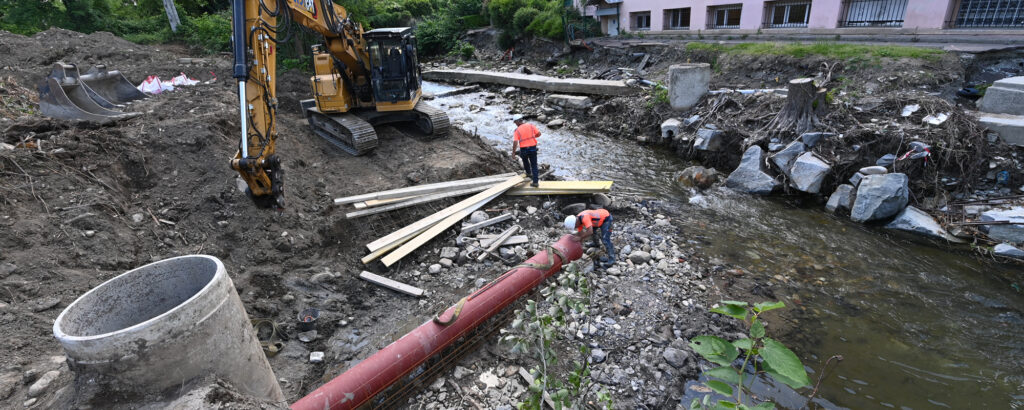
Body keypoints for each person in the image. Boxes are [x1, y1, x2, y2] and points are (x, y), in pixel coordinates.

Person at [511, 115, 541, 187]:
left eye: (515, 122)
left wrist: (513, 152)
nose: (515, 124)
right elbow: (539, 134)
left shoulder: (517, 130)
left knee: (525, 161)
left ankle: (528, 173)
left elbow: (515, 141)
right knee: (534, 165)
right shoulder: (531, 125)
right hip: (533, 148)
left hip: (524, 149)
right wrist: (532, 137)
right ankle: (535, 182)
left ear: (517, 121)